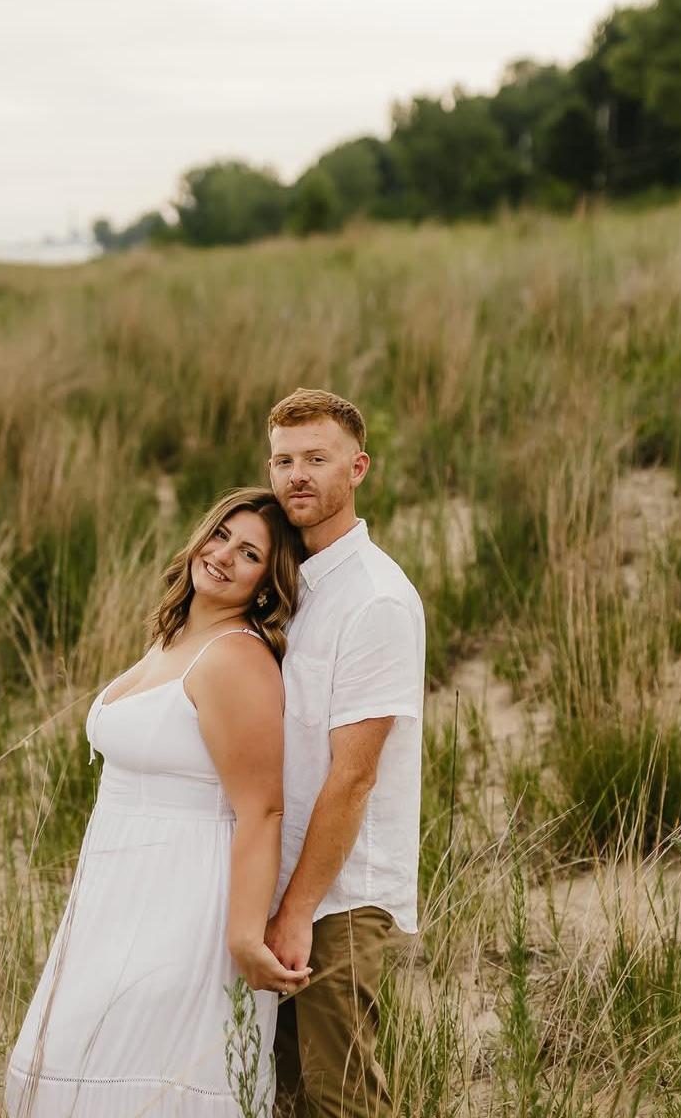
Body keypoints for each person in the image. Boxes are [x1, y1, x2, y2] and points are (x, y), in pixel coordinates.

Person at [4, 486, 311, 1118]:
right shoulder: (173, 639)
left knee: (143, 1070)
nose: (223, 555)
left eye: (249, 554)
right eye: (221, 535)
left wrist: (243, 936)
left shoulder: (237, 658)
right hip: (117, 892)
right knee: (76, 1060)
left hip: (183, 900)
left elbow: (262, 810)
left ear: (265, 585)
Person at [263, 389, 427, 1118]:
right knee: (281, 1094)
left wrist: (298, 910)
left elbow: (354, 777)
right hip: (282, 882)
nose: (297, 475)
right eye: (283, 461)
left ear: (357, 468)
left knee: (342, 1098)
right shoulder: (291, 585)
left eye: (316, 459)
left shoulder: (375, 599)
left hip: (338, 896)